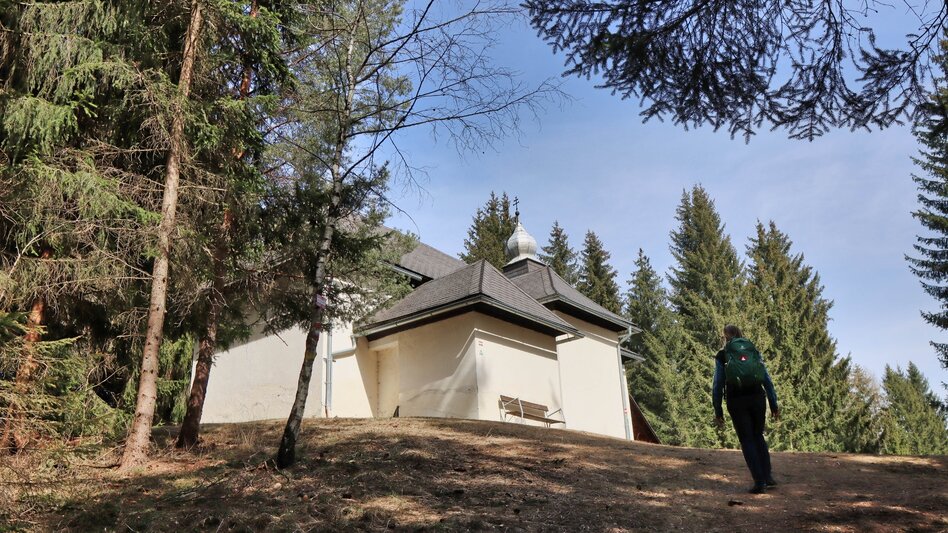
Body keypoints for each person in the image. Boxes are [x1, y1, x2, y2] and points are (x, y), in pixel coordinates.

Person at [712, 324, 779, 494]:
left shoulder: (723, 355)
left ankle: (759, 482)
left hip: (736, 400)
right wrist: (773, 404)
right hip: (758, 397)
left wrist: (718, 410)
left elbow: (718, 384)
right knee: (758, 436)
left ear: (725, 337)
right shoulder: (753, 351)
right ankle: (768, 476)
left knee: (747, 440)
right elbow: (767, 379)